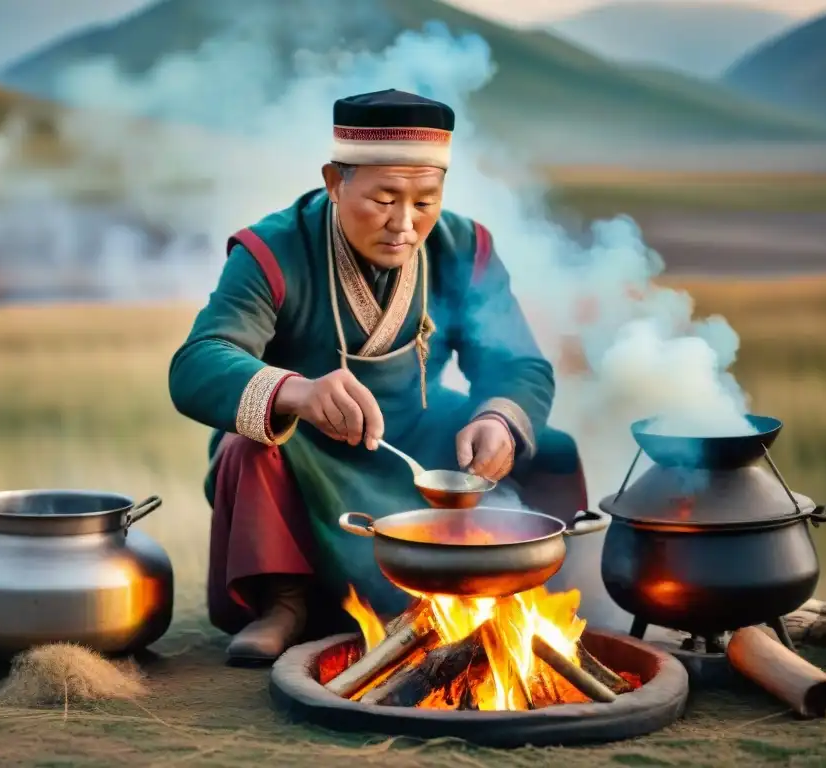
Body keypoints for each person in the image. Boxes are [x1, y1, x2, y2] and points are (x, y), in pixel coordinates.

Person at [169, 89, 588, 665]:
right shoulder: (272, 249)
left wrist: (497, 418)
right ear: (335, 182)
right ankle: (285, 603)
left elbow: (517, 364)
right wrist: (298, 391)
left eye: (425, 201)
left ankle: (517, 597)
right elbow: (197, 362)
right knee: (250, 447)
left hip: (418, 438)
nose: (404, 225)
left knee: (551, 450)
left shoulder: (465, 247)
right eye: (384, 199)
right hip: (307, 449)